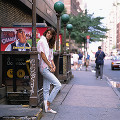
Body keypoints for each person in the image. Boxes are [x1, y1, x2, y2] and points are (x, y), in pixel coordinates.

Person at [37, 28, 61, 113]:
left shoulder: (49, 44)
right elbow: (43, 56)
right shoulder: (41, 42)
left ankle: (47, 108)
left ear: (52, 36)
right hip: (44, 68)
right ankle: (48, 103)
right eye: (48, 33)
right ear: (46, 33)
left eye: (51, 34)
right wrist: (50, 66)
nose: (48, 35)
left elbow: (50, 58)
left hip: (48, 67)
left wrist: (53, 66)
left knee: (46, 88)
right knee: (58, 85)